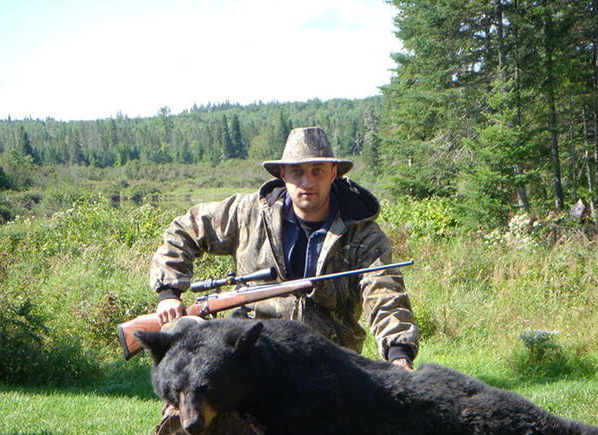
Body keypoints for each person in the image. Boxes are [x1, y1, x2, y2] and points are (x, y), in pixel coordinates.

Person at [149, 126, 419, 369]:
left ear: (333, 173)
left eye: (317, 171)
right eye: (297, 172)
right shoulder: (247, 213)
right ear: (283, 174)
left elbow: (385, 293)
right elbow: (184, 229)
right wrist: (169, 293)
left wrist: (399, 353)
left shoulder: (363, 233)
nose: (307, 182)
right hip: (255, 357)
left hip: (332, 362)